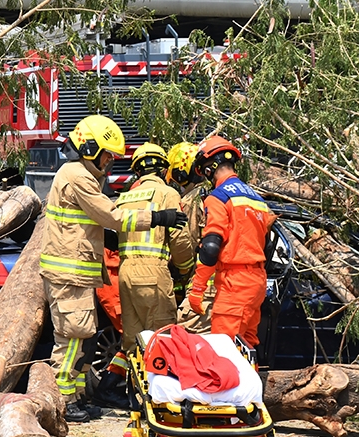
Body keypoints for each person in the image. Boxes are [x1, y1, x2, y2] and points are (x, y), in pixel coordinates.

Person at [40, 115, 187, 423]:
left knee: (85, 337)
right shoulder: (76, 175)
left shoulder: (80, 174)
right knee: (73, 337)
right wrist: (157, 218)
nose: (109, 162)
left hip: (77, 272)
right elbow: (112, 216)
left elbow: (92, 222)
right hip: (70, 273)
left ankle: (78, 396)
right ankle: (63, 401)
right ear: (89, 148)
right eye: (107, 155)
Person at [94, 143, 195, 408]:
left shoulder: (124, 197)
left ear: (137, 171)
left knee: (133, 339)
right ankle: (162, 400)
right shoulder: (168, 194)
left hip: (125, 273)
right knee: (162, 336)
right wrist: (185, 268)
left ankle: (123, 392)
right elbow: (179, 238)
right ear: (162, 169)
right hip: (154, 273)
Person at [187, 136, 275, 348]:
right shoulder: (257, 199)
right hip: (257, 281)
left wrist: (197, 288)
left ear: (209, 168)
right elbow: (267, 244)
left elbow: (211, 247)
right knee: (247, 345)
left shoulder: (218, 197)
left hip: (234, 284)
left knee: (224, 348)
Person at [167, 142, 216, 333]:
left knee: (185, 338)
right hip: (229, 286)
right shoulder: (217, 194)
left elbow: (188, 244)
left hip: (204, 287)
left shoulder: (192, 201)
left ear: (180, 174)